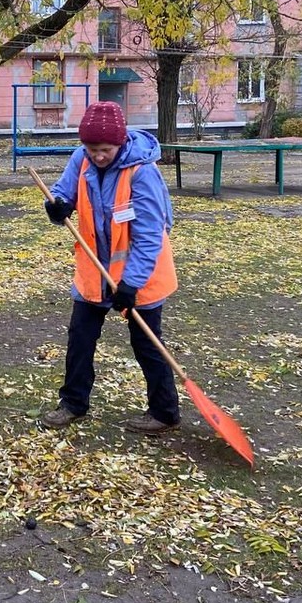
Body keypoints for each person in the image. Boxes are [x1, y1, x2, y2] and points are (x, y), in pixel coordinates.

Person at [40, 101, 181, 434]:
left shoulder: (142, 172)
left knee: (147, 343)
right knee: (80, 338)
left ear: (120, 143)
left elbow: (149, 237)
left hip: (140, 275)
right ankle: (73, 403)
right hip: (95, 272)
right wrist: (57, 206)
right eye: (91, 149)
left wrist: (130, 284)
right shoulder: (82, 158)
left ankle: (164, 411)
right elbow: (64, 190)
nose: (98, 156)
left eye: (105, 150)